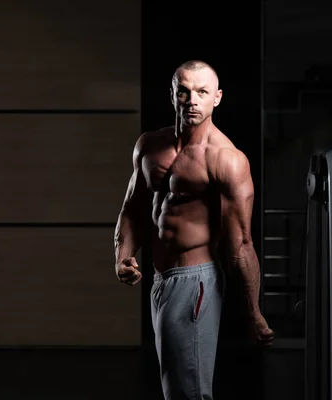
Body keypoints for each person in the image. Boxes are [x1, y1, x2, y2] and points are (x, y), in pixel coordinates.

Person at [113, 60, 274, 399]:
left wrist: (253, 312)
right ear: (173, 96)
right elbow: (134, 206)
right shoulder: (149, 146)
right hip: (160, 280)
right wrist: (123, 255)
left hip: (195, 281)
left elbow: (241, 243)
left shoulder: (225, 159)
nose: (192, 100)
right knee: (176, 387)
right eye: (184, 91)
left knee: (189, 391)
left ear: (217, 98)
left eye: (202, 92)